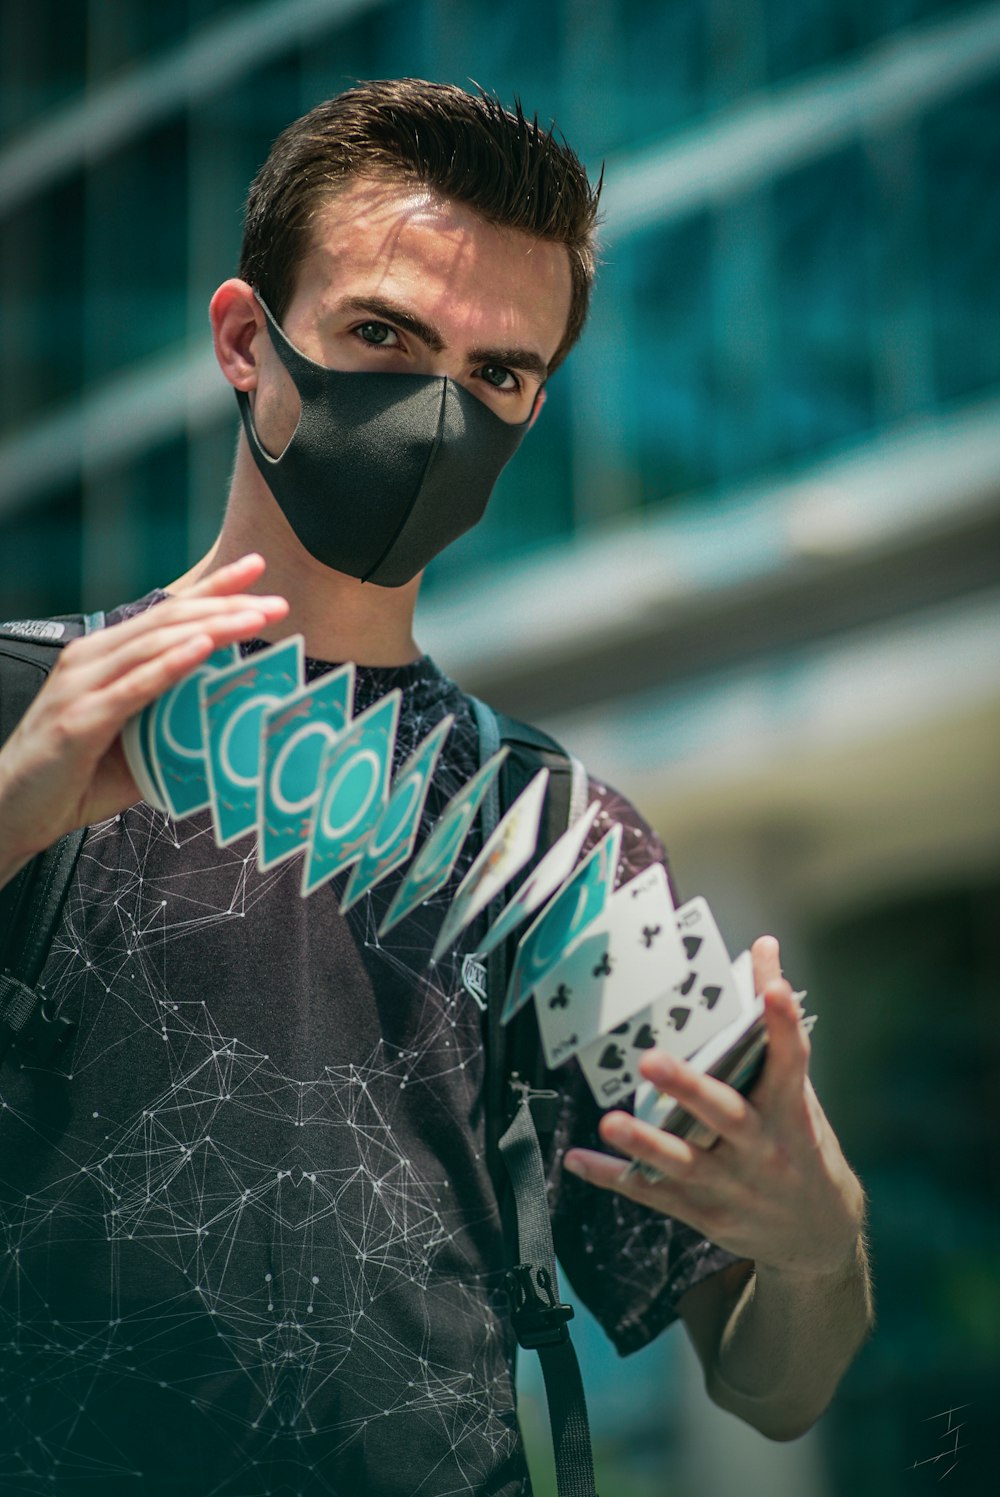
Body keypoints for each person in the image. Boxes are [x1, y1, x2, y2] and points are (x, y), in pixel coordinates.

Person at [0, 79, 872, 1496]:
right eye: (386, 336)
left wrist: (819, 1237)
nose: (439, 411)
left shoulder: (558, 843)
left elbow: (771, 1383)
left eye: (501, 374)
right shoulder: (20, 707)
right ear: (246, 340)